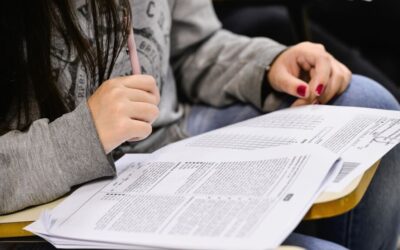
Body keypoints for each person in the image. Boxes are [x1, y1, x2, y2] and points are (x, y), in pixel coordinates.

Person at [0, 1, 399, 249]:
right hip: (52, 203)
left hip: (166, 147)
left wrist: (266, 65)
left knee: (370, 105)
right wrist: (83, 135)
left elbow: (194, 46)